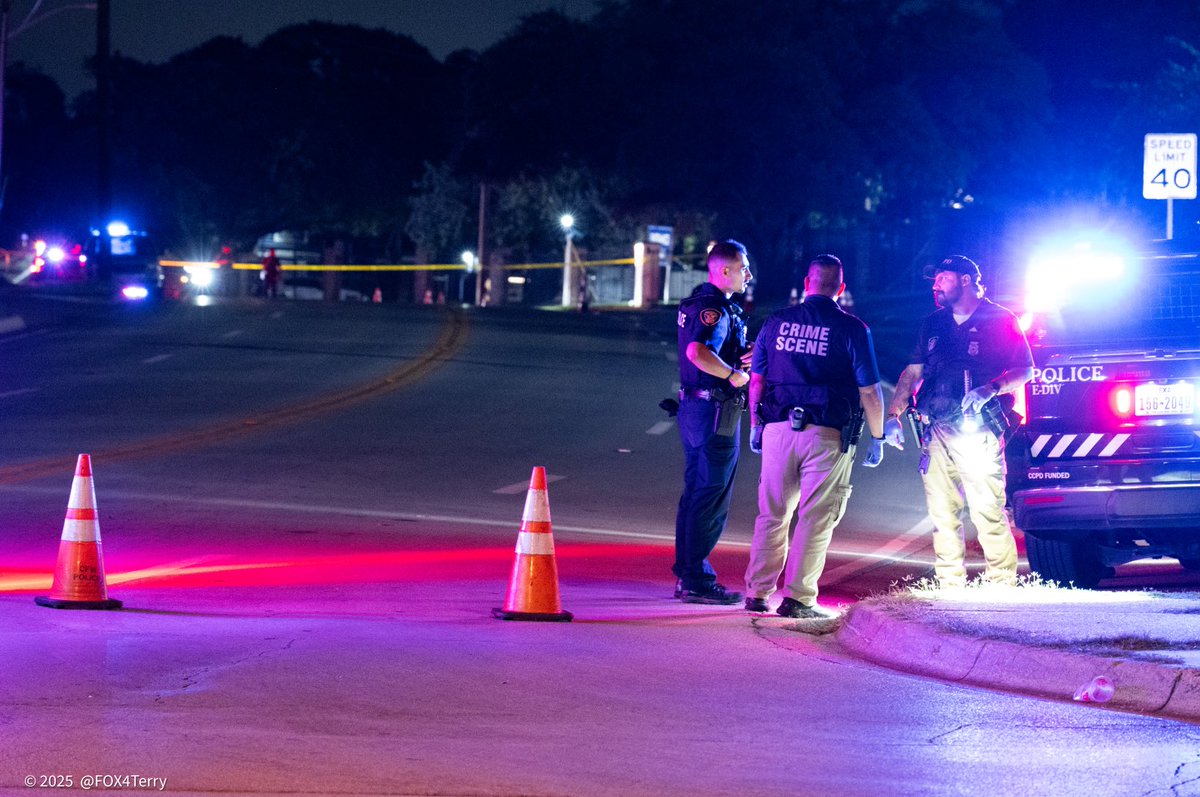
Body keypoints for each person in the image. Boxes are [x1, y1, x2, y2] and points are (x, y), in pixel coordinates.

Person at [744, 255, 887, 618]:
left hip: (777, 428)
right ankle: (798, 598)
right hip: (826, 434)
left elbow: (757, 380)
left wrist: (756, 425)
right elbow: (870, 391)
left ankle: (757, 592)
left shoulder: (775, 322)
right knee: (815, 517)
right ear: (841, 288)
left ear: (806, 284)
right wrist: (878, 436)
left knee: (772, 514)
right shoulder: (852, 329)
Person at [884, 255, 1034, 588]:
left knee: (987, 509)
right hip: (936, 429)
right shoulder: (933, 323)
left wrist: (990, 389)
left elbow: (1025, 370)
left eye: (943, 277)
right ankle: (950, 584)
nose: (936, 284)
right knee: (941, 512)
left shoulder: (1000, 319)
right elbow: (912, 372)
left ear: (966, 279)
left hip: (978, 429)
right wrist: (894, 415)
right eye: (935, 279)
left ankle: (1002, 584)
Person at [672, 239, 753, 605]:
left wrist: (737, 356)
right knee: (711, 496)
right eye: (743, 268)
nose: (748, 275)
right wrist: (733, 375)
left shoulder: (695, 303)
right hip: (715, 412)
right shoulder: (715, 309)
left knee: (695, 492)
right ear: (724, 270)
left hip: (693, 408)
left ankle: (687, 573)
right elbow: (697, 351)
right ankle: (697, 580)